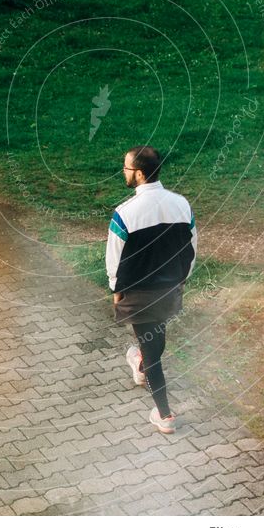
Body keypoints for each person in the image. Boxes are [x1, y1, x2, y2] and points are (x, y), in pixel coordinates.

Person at [106, 146, 197, 434]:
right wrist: (183, 279)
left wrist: (115, 290)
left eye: (126, 169)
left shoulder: (124, 214)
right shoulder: (182, 205)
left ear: (140, 173)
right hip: (170, 290)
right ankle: (142, 364)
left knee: (153, 348)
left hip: (139, 294)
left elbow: (115, 259)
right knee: (154, 339)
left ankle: (165, 414)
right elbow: (191, 249)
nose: (124, 172)